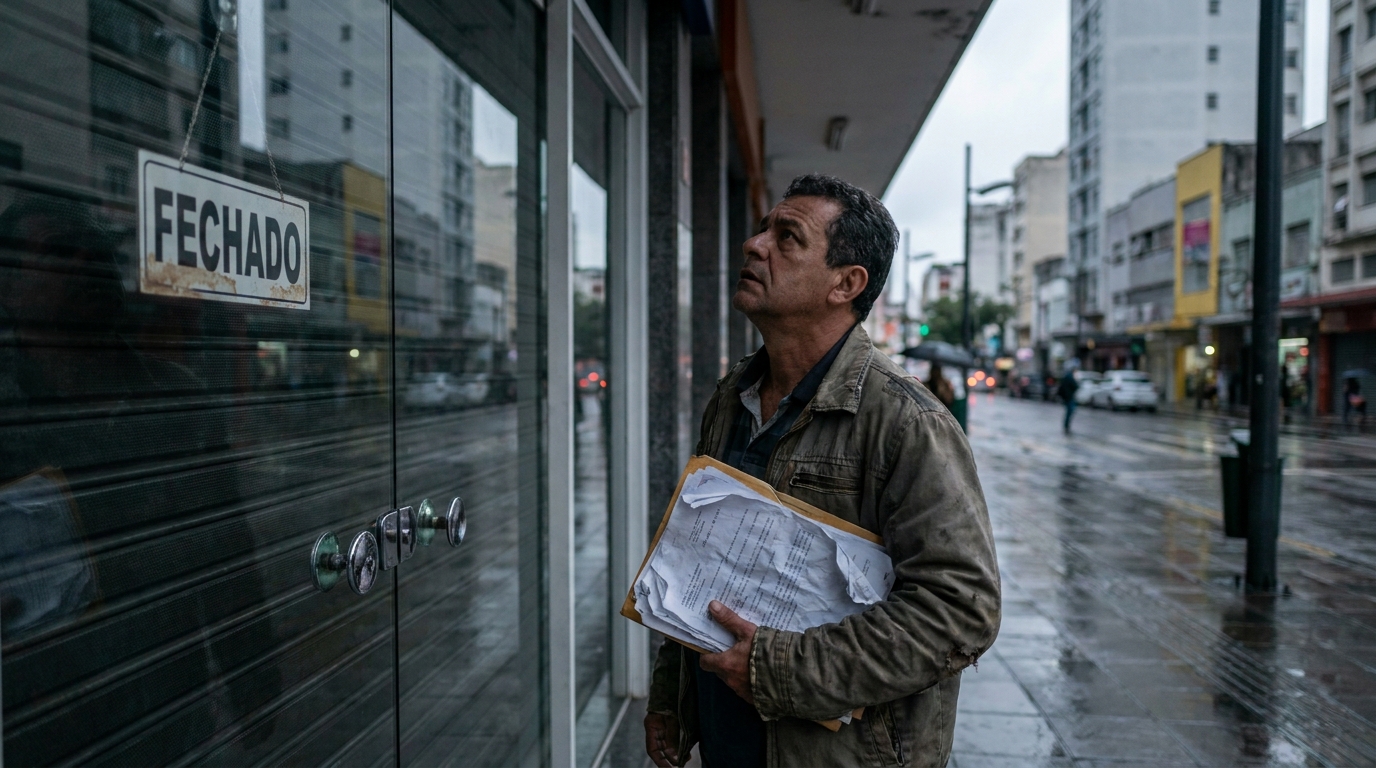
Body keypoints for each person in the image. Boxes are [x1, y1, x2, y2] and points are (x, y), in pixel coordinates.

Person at [644, 175, 1000, 768]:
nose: (754, 246)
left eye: (787, 237)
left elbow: (960, 610)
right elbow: (692, 564)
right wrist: (672, 697)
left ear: (846, 283)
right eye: (762, 229)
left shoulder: (906, 422)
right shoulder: (733, 398)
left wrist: (778, 669)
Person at [1057, 364, 1080, 434]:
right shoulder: (1070, 377)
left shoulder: (1066, 376)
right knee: (1070, 412)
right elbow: (1076, 386)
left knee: (1069, 412)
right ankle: (1066, 427)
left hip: (1067, 397)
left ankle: (1066, 426)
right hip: (1069, 397)